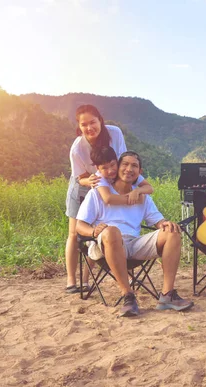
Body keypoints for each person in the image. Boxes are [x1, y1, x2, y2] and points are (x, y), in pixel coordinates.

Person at [76, 151, 194, 317]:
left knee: (171, 232)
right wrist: (93, 231)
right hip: (104, 245)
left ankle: (167, 295)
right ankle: (128, 296)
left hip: (133, 245)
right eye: (125, 164)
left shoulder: (142, 196)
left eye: (134, 166)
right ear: (117, 167)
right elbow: (79, 226)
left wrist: (164, 224)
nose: (129, 169)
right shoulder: (97, 193)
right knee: (112, 231)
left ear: (140, 172)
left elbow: (157, 220)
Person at [64, 104, 153, 294]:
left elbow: (121, 161)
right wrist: (93, 180)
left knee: (100, 229)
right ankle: (72, 280)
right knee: (75, 232)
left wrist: (136, 188)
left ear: (100, 120)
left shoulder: (115, 133)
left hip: (108, 179)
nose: (89, 128)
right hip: (85, 184)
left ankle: (88, 279)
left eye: (93, 122)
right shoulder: (77, 147)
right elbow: (80, 177)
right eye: (84, 124)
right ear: (79, 126)